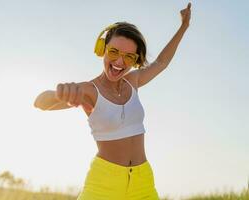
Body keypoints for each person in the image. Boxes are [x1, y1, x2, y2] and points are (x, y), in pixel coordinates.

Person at [34, 3, 191, 200]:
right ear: (103, 49)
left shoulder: (133, 81)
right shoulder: (89, 90)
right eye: (114, 52)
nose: (119, 62)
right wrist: (60, 92)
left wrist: (184, 26)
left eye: (128, 56)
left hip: (143, 181)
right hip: (104, 184)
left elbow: (161, 63)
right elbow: (40, 102)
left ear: (135, 60)